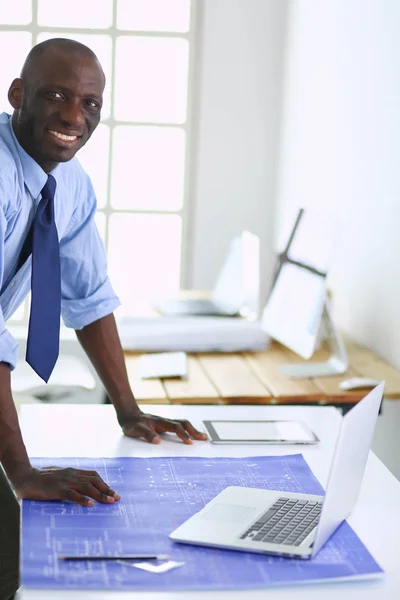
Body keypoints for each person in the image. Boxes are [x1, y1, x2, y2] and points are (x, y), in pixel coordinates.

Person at [0, 37, 208, 507]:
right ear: (17, 94)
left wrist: (128, 411)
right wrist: (20, 471)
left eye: (89, 103)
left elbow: (89, 297)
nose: (74, 117)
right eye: (55, 95)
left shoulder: (70, 184)